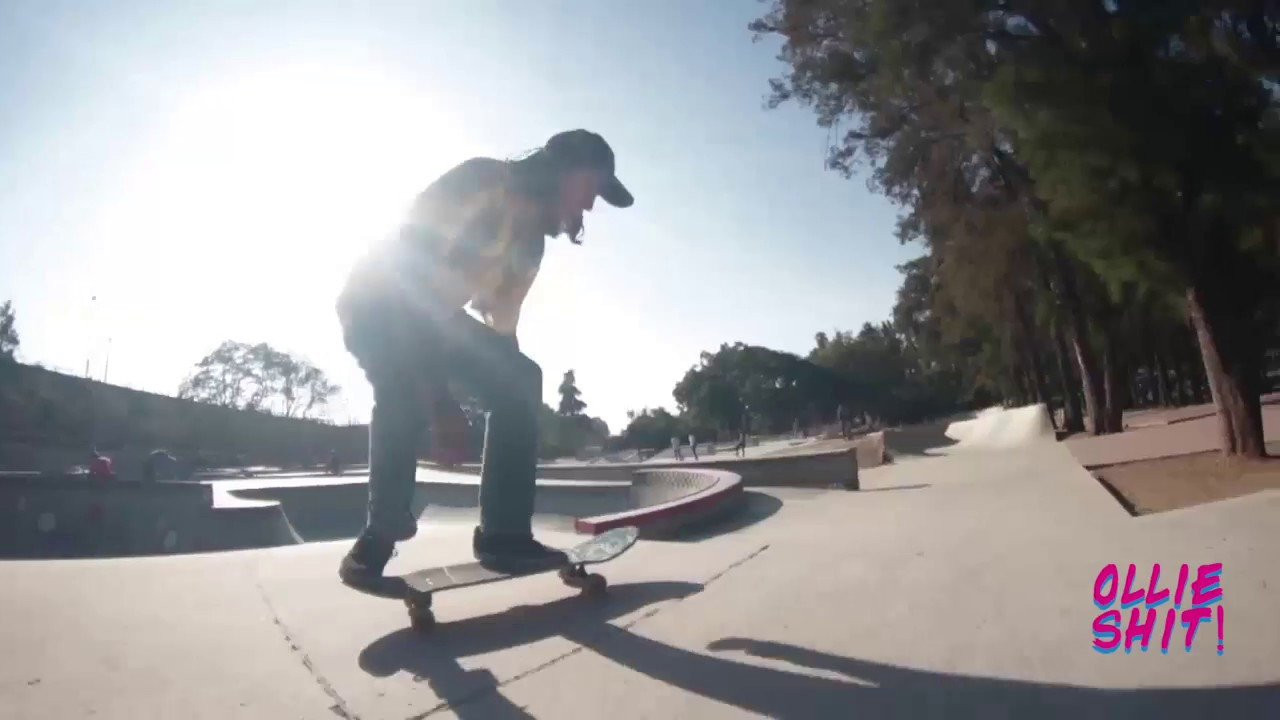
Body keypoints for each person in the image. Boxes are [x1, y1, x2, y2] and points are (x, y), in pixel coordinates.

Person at [335, 129, 633, 583]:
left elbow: (501, 334)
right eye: (589, 190)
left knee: (521, 377)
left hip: (437, 319)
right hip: (378, 305)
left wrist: (512, 401)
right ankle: (377, 537)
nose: (589, 207)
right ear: (561, 171)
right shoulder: (478, 182)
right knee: (403, 391)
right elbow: (404, 284)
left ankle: (503, 536)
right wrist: (440, 403)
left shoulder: (530, 245)